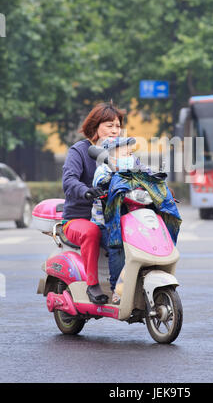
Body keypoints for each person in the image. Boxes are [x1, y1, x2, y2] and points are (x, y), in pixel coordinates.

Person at [62, 102, 126, 305]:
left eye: (118, 125)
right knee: (91, 231)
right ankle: (92, 284)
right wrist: (86, 191)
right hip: (77, 219)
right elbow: (69, 180)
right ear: (95, 126)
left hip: (110, 217)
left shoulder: (121, 151)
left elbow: (137, 172)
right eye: (109, 125)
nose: (115, 130)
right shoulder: (79, 151)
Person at [90, 136, 137, 304]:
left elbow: (148, 178)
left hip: (131, 222)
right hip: (105, 225)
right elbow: (99, 183)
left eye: (130, 152)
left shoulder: (134, 169)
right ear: (110, 154)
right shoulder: (103, 170)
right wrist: (107, 182)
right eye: (124, 151)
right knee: (117, 245)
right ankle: (117, 291)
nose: (129, 154)